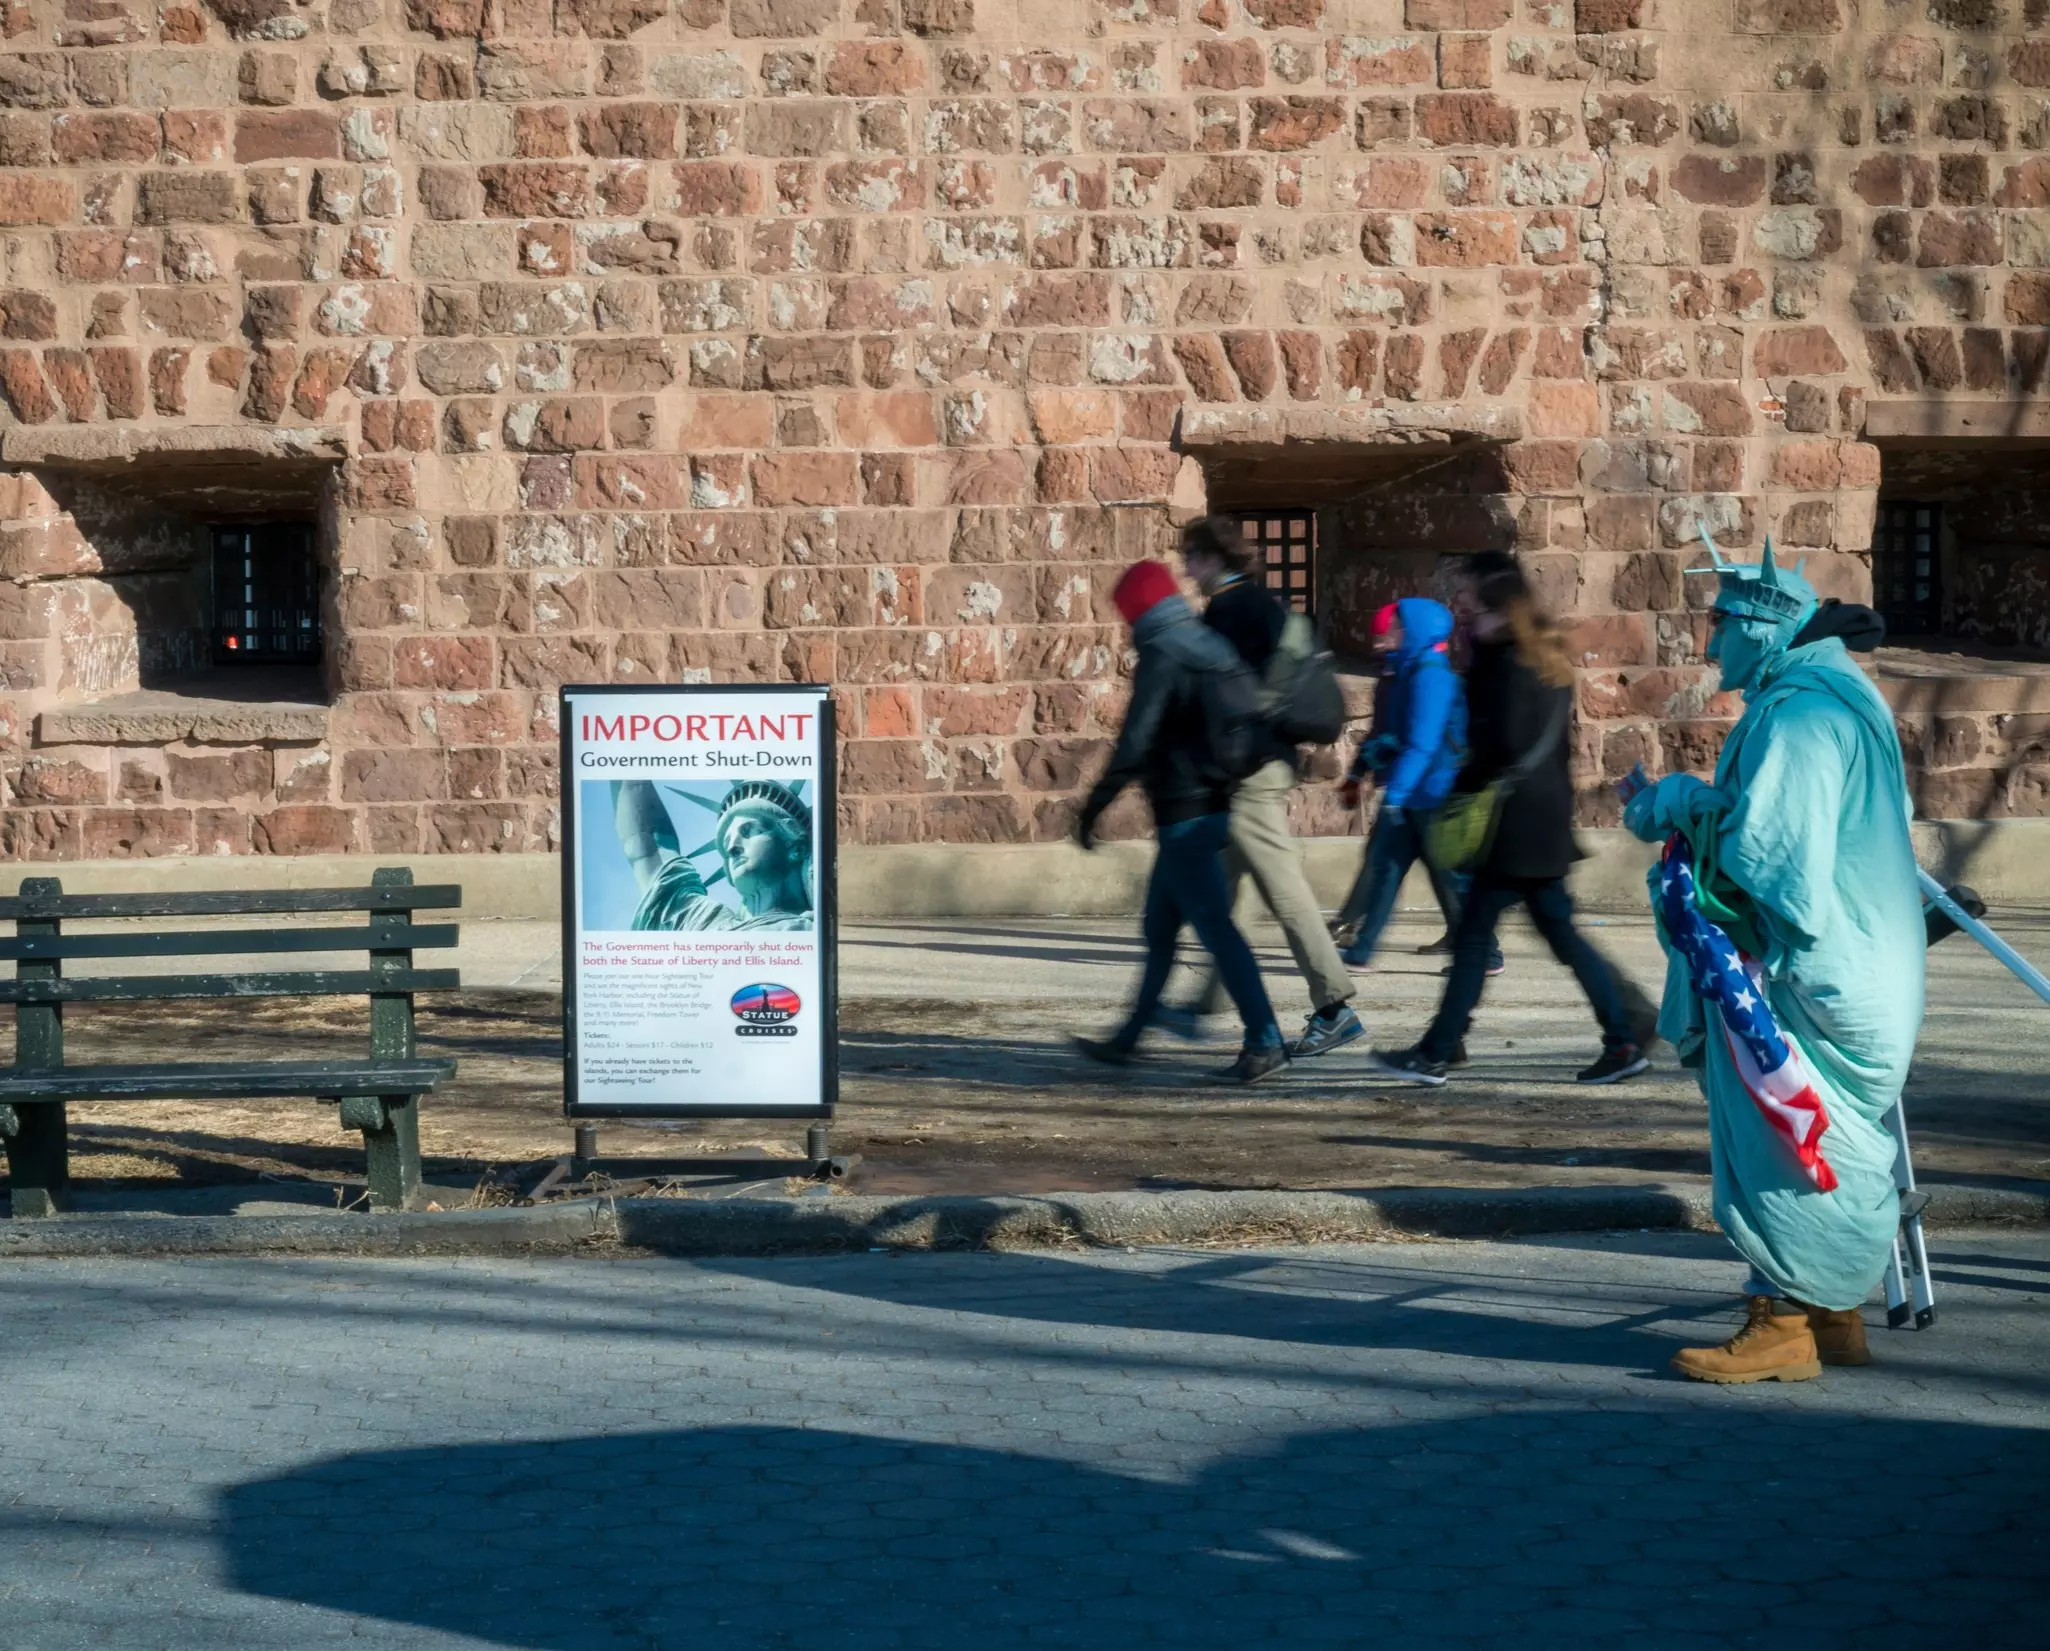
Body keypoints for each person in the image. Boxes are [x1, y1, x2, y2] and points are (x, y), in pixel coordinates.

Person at [1622, 536, 1923, 1384]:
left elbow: (1769, 859)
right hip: (1870, 968)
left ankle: (1781, 1320)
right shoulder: (1842, 697)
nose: (1711, 645)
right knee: (1825, 1131)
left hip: (1817, 976)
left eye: (1719, 625)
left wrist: (1671, 801)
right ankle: (1833, 1312)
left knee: (1779, 1131)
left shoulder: (1799, 715)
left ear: (1763, 624)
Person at [1369, 552, 1649, 1086]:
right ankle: (1620, 1040)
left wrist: (1461, 784)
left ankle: (1440, 1049)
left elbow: (1502, 744)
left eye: (1467, 594)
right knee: (1551, 934)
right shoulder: (1542, 656)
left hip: (1513, 825)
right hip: (1538, 819)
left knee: (1478, 936)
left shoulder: (1506, 661)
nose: (1460, 604)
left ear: (1491, 600)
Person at [1072, 558, 1290, 1084]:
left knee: (1217, 931)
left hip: (1184, 814)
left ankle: (1265, 1039)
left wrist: (1093, 807)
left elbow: (1135, 742)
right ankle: (1128, 1039)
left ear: (1137, 608)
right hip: (1210, 803)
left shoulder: (1163, 653)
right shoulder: (1202, 641)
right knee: (1161, 928)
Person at [1166, 517, 1363, 1058]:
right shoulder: (1260, 603)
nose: (1186, 568)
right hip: (1260, 764)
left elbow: (1222, 701)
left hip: (1250, 772)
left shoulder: (1231, 612)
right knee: (1221, 894)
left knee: (1284, 891)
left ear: (1211, 558)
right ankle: (1202, 1004)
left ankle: (1334, 1006)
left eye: (1191, 556)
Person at [1332, 599, 1501, 977]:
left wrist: (1396, 792)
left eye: (1395, 627)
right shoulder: (1405, 672)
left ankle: (1487, 954)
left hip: (1436, 793)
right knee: (1386, 870)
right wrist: (1362, 772)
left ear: (1416, 630)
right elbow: (1389, 734)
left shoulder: (1431, 676)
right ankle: (1361, 952)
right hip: (1413, 794)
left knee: (1452, 879)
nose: (1386, 635)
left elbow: (1422, 743)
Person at [612, 778, 814, 931]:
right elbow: (650, 850)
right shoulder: (707, 926)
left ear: (797, 847)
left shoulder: (818, 928)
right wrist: (622, 754)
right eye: (726, 843)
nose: (732, 848)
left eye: (749, 831)